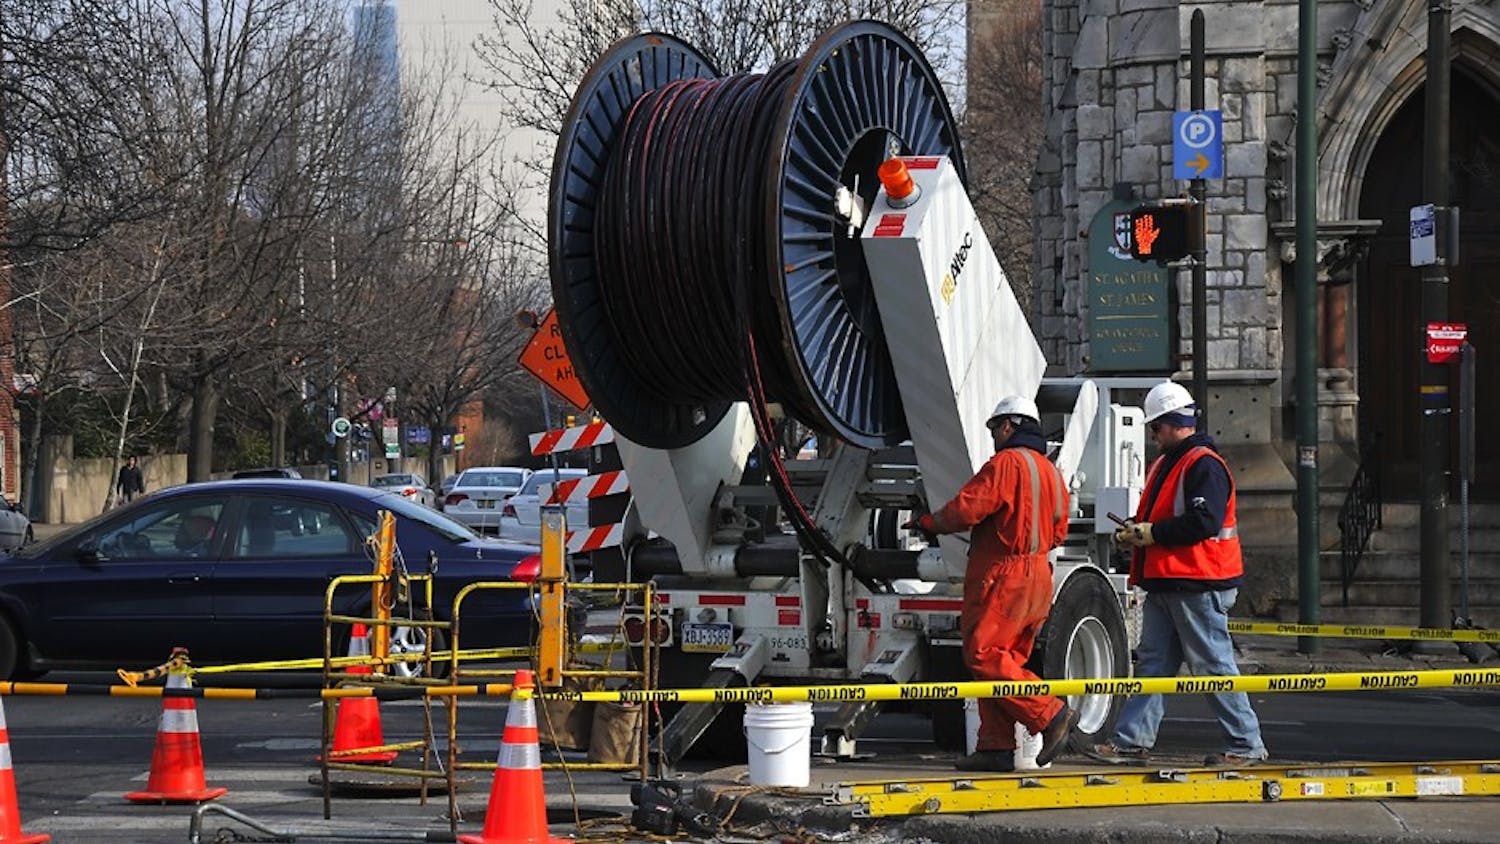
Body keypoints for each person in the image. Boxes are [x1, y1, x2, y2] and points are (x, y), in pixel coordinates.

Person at [1093, 381, 1268, 766]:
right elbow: (1173, 517)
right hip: (1174, 579)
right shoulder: (1175, 462)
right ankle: (1131, 740)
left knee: (1211, 665)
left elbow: (1204, 522)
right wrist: (1139, 530)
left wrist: (1151, 533)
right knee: (1155, 663)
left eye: (1156, 428)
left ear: (1173, 423)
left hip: (1196, 581)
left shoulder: (1201, 464)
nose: (1153, 437)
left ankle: (1246, 744)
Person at [904, 395, 1078, 772]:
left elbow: (969, 507)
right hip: (1038, 575)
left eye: (993, 429)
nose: (993, 437)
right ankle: (996, 747)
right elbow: (1060, 529)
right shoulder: (1051, 472)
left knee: (982, 654)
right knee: (1006, 659)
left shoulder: (1005, 464)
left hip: (1004, 575)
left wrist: (928, 522)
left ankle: (1049, 713)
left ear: (1007, 426)